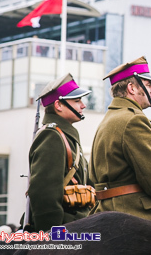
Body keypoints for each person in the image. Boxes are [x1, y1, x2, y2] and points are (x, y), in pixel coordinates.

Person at [89, 56, 151, 223]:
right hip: (132, 213)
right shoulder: (133, 120)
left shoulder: (110, 118)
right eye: (149, 85)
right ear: (132, 88)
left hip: (105, 210)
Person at [26, 73, 93, 232]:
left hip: (76, 225)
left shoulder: (65, 135)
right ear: (58, 105)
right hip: (62, 228)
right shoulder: (52, 136)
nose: (82, 105)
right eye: (77, 101)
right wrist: (53, 238)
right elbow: (44, 194)